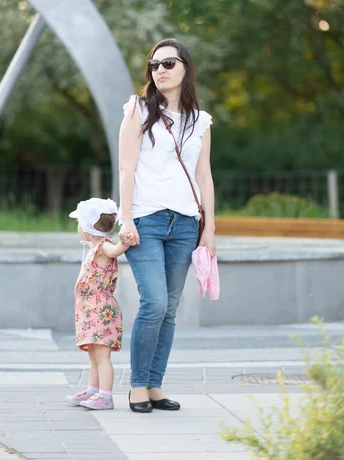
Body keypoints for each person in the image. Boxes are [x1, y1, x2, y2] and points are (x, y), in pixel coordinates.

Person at [118, 38, 216, 413]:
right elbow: (127, 168)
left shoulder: (199, 121)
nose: (160, 69)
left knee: (171, 308)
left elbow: (204, 177)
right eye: (154, 65)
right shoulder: (138, 110)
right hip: (147, 219)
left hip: (187, 224)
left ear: (185, 68)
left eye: (168, 63)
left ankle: (155, 385)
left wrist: (209, 230)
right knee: (154, 302)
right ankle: (137, 385)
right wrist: (127, 218)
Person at [65, 198, 133, 411]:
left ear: (87, 227)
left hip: (100, 310)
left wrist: (124, 242)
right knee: (94, 355)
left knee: (102, 356)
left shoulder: (104, 247)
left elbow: (116, 251)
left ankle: (106, 395)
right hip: (89, 310)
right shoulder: (95, 248)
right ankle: (93, 390)